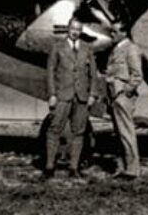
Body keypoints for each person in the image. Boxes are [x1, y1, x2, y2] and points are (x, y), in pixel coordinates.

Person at [44, 17, 101, 179]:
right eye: (73, 29)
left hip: (81, 96)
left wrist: (92, 94)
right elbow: (50, 72)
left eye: (78, 29)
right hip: (63, 94)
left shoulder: (87, 48)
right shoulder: (57, 47)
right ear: (68, 29)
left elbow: (93, 74)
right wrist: (52, 94)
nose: (75, 32)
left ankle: (73, 168)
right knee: (54, 129)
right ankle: (49, 166)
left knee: (79, 132)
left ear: (81, 31)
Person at [105, 21, 142, 179]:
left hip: (122, 97)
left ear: (124, 33)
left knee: (127, 133)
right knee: (120, 133)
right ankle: (123, 167)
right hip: (114, 96)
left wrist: (125, 92)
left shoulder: (130, 49)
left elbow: (137, 75)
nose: (111, 34)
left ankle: (132, 170)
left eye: (114, 32)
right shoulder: (117, 49)